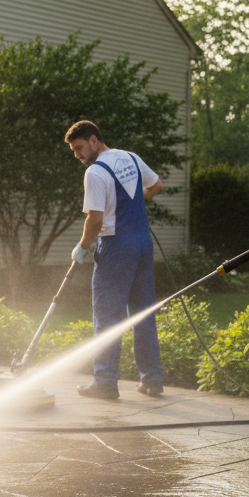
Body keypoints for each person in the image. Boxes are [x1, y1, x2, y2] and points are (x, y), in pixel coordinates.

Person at [65, 120, 165, 400]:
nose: (78, 155)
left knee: (107, 316)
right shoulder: (131, 158)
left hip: (116, 247)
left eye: (80, 148)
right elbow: (156, 186)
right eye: (74, 151)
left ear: (94, 140)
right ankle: (153, 380)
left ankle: (105, 383)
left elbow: (95, 219)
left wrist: (82, 247)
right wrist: (133, 201)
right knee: (144, 313)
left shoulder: (95, 173)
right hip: (143, 244)